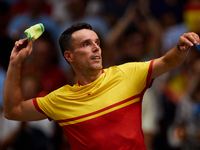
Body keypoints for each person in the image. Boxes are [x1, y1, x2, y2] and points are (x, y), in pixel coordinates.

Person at [3, 22, 200, 150]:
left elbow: (168, 62)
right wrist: (15, 63)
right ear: (69, 56)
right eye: (86, 44)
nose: (96, 47)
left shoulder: (127, 74)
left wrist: (180, 47)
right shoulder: (60, 99)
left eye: (97, 42)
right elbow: (13, 111)